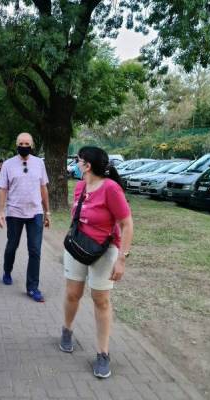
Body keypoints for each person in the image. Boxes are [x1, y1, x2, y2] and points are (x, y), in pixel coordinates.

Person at [59, 146, 133, 379]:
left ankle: (103, 353)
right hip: (78, 247)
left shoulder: (111, 189)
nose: (76, 164)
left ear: (87, 165)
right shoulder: (80, 186)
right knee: (73, 293)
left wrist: (122, 259)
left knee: (100, 300)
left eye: (78, 160)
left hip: (104, 251)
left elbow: (127, 224)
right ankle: (67, 330)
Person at [0, 132, 50, 302]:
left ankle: (32, 288)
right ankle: (7, 270)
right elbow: (2, 189)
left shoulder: (39, 163)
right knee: (12, 245)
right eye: (21, 143)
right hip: (15, 212)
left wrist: (47, 211)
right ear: (16, 144)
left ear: (32, 145)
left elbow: (43, 188)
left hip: (35, 212)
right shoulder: (8, 165)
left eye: (27, 143)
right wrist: (0, 211)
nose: (24, 146)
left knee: (35, 250)